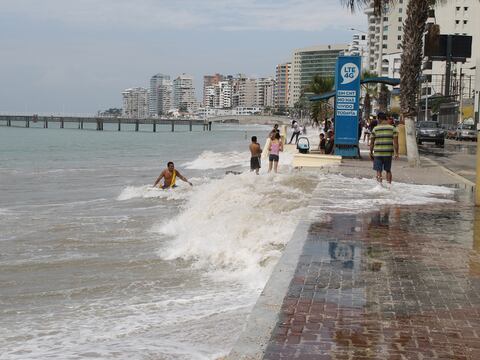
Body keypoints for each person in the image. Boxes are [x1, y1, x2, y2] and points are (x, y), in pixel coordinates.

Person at [369, 112, 399, 185]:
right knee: (388, 170)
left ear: (379, 119)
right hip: (388, 153)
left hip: (378, 153)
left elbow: (372, 143)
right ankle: (389, 186)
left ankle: (379, 186)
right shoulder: (392, 128)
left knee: (378, 171)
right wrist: (396, 153)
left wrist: (371, 152)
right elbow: (396, 143)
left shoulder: (375, 129)